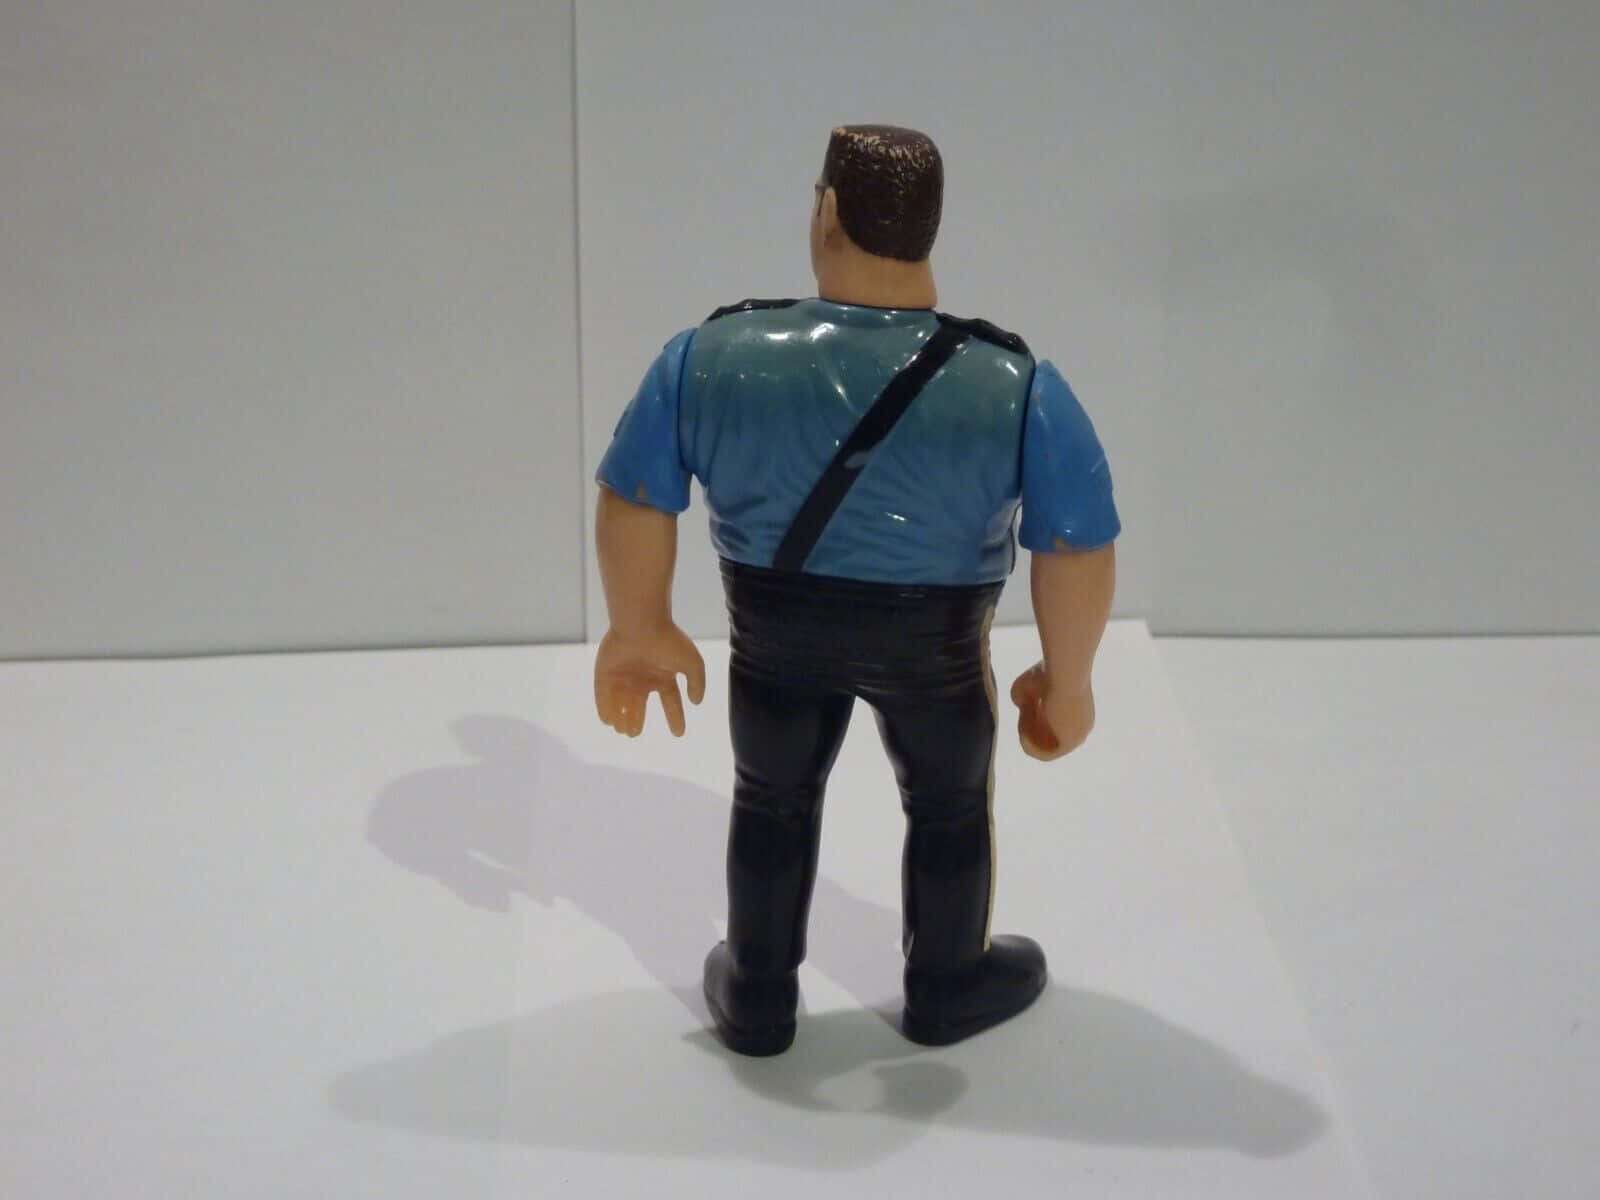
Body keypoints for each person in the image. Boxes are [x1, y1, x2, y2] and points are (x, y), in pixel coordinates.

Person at [593, 125, 1119, 1056]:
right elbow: (1075, 542)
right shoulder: (1016, 382)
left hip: (774, 633)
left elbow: (636, 491)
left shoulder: (710, 356)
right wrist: (1068, 678)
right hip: (937, 646)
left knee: (771, 798)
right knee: (951, 806)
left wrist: (638, 626)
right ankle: (947, 982)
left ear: (828, 211)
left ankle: (758, 991)